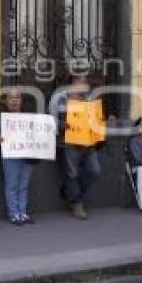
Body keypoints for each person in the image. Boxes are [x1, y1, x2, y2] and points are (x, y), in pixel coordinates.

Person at [48, 75, 103, 220]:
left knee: (94, 171)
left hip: (88, 144)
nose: (84, 85)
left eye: (85, 83)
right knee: (71, 174)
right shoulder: (59, 98)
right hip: (67, 144)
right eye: (80, 82)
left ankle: (69, 191)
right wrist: (62, 125)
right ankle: (77, 204)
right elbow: (50, 120)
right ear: (71, 84)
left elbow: (95, 120)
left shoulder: (90, 100)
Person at [0, 89, 38, 226]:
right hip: (11, 155)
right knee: (12, 185)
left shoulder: (30, 116)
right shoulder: (0, 118)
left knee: (23, 185)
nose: (14, 100)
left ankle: (22, 213)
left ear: (21, 100)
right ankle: (13, 214)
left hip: (28, 155)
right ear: (6, 101)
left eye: (17, 97)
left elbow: (38, 133)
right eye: (11, 98)